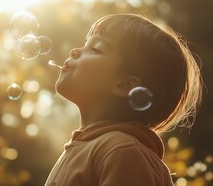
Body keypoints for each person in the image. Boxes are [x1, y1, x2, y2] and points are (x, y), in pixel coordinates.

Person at [44, 13, 202, 186]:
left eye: (95, 49)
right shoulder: (88, 147)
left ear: (125, 85)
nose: (74, 51)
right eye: (85, 44)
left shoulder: (121, 151)